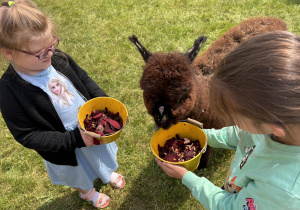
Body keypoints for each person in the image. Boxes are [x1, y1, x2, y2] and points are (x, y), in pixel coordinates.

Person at [0, 0, 125, 208]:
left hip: (91, 130)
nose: (49, 54)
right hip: (63, 147)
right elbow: (26, 134)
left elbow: (84, 80)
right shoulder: (8, 89)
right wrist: (73, 139)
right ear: (8, 53)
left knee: (98, 157)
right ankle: (87, 192)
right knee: (78, 172)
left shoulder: (57, 58)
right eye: (40, 53)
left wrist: (104, 103)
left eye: (51, 46)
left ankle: (106, 172)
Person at [156, 30, 300, 209]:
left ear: (272, 127)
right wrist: (202, 136)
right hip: (239, 186)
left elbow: (229, 206)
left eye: (233, 117)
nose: (232, 122)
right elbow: (240, 134)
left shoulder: (281, 190)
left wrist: (187, 177)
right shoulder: (276, 123)